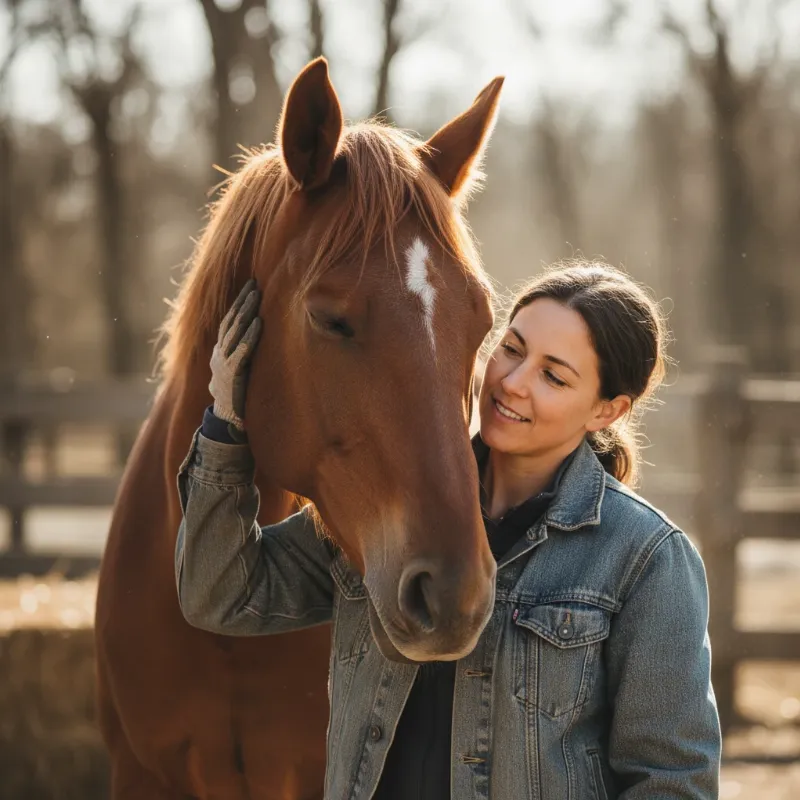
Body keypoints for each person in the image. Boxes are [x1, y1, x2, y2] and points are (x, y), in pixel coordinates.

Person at [175, 261, 721, 799]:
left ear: (607, 411)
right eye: (511, 349)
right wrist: (226, 423)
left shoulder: (646, 558)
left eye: (553, 376)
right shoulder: (391, 502)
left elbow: (673, 783)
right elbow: (222, 595)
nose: (512, 383)